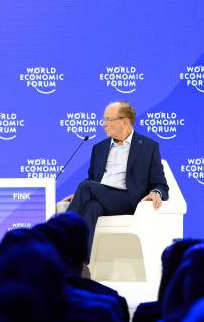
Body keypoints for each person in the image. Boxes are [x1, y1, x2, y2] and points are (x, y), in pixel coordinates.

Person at [64, 101, 169, 260]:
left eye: (108, 119)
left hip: (128, 200)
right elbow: (92, 179)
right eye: (104, 119)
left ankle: (58, 235)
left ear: (124, 122)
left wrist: (156, 192)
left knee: (85, 186)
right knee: (92, 207)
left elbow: (160, 182)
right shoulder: (99, 148)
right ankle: (79, 262)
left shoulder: (148, 146)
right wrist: (79, 195)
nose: (103, 124)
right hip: (101, 197)